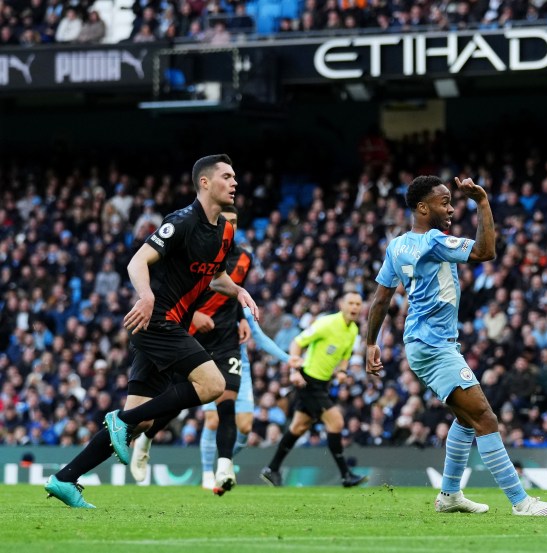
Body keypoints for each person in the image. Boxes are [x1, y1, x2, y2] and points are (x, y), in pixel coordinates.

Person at [44, 154, 258, 508]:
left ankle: (64, 478)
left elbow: (217, 276)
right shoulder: (182, 221)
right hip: (156, 321)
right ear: (204, 182)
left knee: (140, 424)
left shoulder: (227, 231)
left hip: (166, 325)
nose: (234, 182)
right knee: (213, 385)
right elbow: (137, 260)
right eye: (227, 176)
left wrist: (239, 290)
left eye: (235, 176)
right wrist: (144, 296)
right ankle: (120, 419)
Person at [365, 175, 547, 516]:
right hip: (433, 345)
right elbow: (487, 251)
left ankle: (450, 495)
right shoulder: (433, 241)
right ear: (422, 207)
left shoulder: (397, 246)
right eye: (444, 202)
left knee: (466, 420)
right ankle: (521, 502)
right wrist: (483, 202)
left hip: (422, 343)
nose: (451, 208)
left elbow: (382, 297)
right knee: (485, 417)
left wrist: (371, 342)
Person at [128, 206, 290, 493]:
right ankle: (147, 436)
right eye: (226, 221)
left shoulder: (243, 258)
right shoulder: (196, 245)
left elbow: (229, 291)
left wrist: (241, 318)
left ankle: (223, 469)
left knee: (224, 404)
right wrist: (194, 315)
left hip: (227, 336)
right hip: (190, 331)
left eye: (235, 223)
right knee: (177, 400)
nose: (229, 226)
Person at [260, 292, 367, 488]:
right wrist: (294, 371)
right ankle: (346, 476)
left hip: (322, 383)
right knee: (336, 421)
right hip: (307, 380)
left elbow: (346, 355)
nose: (354, 307)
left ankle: (271, 469)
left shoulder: (352, 330)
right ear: (342, 304)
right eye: (350, 303)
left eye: (358, 304)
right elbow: (297, 342)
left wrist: (342, 371)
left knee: (299, 426)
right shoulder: (326, 324)